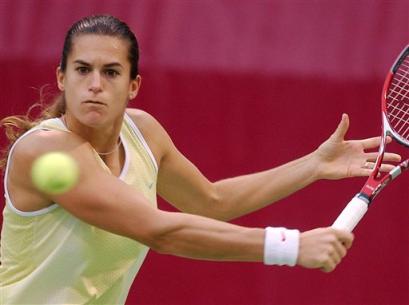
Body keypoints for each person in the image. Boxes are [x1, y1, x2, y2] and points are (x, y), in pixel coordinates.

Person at [0, 15, 401, 305]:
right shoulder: (46, 151)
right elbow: (159, 231)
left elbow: (210, 202)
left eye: (111, 72)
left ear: (133, 85)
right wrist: (290, 245)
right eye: (82, 69)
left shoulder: (142, 133)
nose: (94, 85)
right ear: (61, 77)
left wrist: (312, 166)